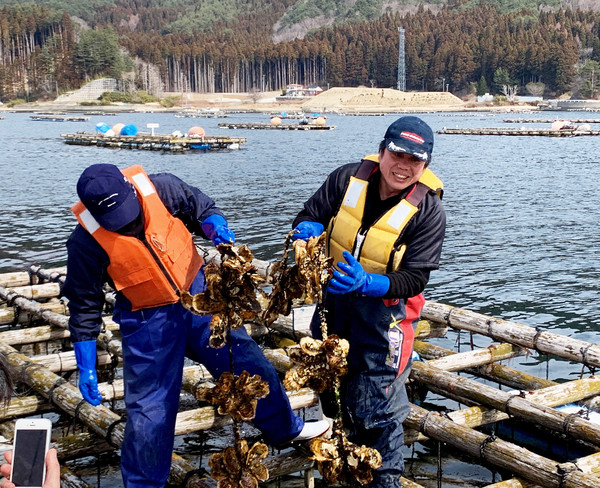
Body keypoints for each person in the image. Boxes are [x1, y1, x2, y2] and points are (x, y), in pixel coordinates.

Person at [62, 164, 329, 488]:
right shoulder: (84, 243)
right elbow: (83, 302)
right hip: (147, 321)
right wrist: (86, 361)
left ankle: (286, 428)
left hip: (199, 292)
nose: (126, 222)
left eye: (127, 211)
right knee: (149, 412)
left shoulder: (162, 188)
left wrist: (215, 226)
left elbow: (200, 207)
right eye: (114, 219)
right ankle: (144, 484)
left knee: (248, 364)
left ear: (131, 190)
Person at [291, 116, 446, 488]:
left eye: (415, 160)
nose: (404, 166)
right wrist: (307, 229)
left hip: (386, 318)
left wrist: (368, 282)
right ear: (381, 152)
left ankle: (384, 481)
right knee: (332, 392)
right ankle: (340, 470)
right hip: (334, 308)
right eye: (398, 154)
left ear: (425, 166)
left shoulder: (428, 212)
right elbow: (310, 215)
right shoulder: (346, 180)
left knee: (377, 411)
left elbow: (415, 278)